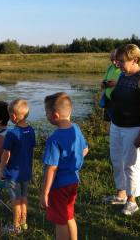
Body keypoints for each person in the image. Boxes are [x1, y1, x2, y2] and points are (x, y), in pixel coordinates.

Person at [103, 44, 140, 215]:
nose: (117, 64)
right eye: (117, 60)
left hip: (135, 127)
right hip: (117, 125)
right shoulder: (124, 75)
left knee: (131, 164)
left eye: (121, 61)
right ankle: (121, 193)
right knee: (117, 160)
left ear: (135, 60)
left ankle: (132, 201)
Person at [41, 92, 89, 240]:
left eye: (47, 112)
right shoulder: (76, 129)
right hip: (73, 180)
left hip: (58, 185)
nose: (46, 115)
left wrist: (45, 192)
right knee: (69, 215)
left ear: (55, 115)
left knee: (59, 221)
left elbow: (52, 168)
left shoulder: (54, 139)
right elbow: (85, 150)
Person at [0, 99, 36, 234]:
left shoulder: (11, 133)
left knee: (16, 200)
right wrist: (30, 169)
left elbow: (5, 154)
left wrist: (1, 169)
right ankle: (24, 223)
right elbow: (32, 151)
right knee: (24, 198)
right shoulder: (31, 131)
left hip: (13, 174)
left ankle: (15, 227)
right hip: (25, 172)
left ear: (13, 116)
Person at [100, 49, 122, 121]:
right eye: (112, 60)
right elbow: (102, 84)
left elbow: (129, 84)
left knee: (117, 123)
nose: (114, 62)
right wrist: (105, 84)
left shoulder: (125, 69)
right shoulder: (110, 68)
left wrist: (116, 84)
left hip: (119, 103)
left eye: (115, 60)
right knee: (109, 123)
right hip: (108, 101)